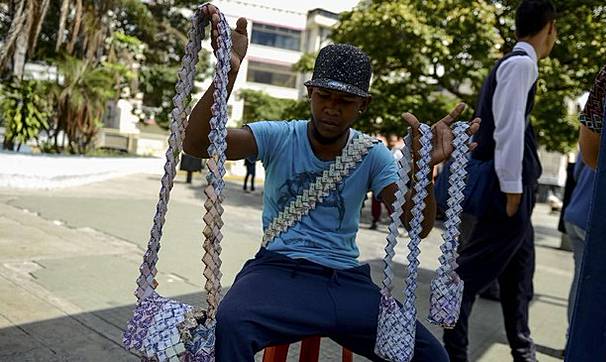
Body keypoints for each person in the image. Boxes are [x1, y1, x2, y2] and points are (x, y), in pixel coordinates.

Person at [184, 6, 479, 361]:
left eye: (345, 101)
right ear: (310, 93)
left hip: (346, 283)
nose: (332, 109)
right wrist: (226, 72)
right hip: (278, 270)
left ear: (363, 106)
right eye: (324, 96)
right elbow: (197, 144)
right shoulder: (279, 136)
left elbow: (418, 227)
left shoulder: (373, 154)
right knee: (229, 325)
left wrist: (422, 170)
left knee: (432, 357)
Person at [442, 1, 558, 361]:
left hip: (513, 187)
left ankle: (524, 353)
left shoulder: (515, 64)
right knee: (467, 277)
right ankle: (453, 352)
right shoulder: (521, 64)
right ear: (550, 28)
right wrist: (512, 191)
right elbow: (508, 130)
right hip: (507, 188)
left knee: (518, 281)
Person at [565, 62, 606, 340]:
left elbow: (585, 162)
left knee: (581, 282)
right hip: (596, 216)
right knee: (592, 289)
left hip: (577, 213)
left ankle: (573, 338)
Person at [370, 135, 403, 230]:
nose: (391, 142)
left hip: (392, 180)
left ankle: (395, 221)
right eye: (390, 140)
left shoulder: (398, 152)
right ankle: (375, 220)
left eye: (393, 140)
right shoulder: (387, 150)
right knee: (376, 202)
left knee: (390, 202)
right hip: (378, 180)